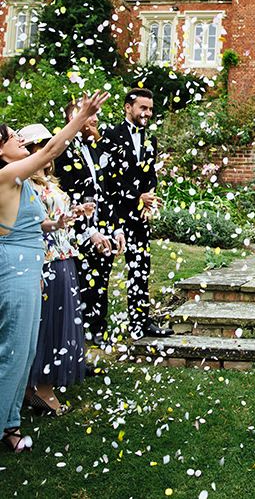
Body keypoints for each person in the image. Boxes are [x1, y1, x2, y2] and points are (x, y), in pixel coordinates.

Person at [0, 91, 108, 453]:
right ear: (1, 150)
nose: (19, 139)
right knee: (12, 350)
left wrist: (58, 222)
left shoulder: (19, 183)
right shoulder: (4, 176)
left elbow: (33, 223)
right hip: (13, 272)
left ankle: (10, 421)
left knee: (25, 349)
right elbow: (48, 152)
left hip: (30, 269)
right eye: (13, 136)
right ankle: (6, 424)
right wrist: (81, 117)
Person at [19, 124, 86, 416]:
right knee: (46, 322)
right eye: (39, 147)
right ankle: (38, 386)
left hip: (64, 255)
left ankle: (37, 385)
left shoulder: (51, 182)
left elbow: (57, 218)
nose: (46, 152)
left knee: (60, 319)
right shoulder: (25, 184)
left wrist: (76, 213)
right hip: (45, 259)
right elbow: (33, 223)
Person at [55, 99, 125, 347]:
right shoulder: (62, 152)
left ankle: (98, 331)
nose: (95, 120)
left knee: (102, 282)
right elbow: (69, 198)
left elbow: (107, 192)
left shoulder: (95, 149)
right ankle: (77, 341)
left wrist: (115, 228)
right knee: (82, 286)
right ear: (73, 120)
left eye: (96, 115)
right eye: (90, 116)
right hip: (77, 234)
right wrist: (89, 233)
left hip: (102, 230)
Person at [103, 88, 171, 339]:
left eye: (150, 109)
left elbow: (149, 175)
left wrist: (148, 201)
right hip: (111, 215)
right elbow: (106, 180)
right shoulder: (110, 135)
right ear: (127, 107)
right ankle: (97, 330)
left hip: (139, 217)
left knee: (141, 268)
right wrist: (135, 197)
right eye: (143, 108)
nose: (147, 113)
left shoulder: (149, 140)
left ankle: (140, 323)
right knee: (103, 271)